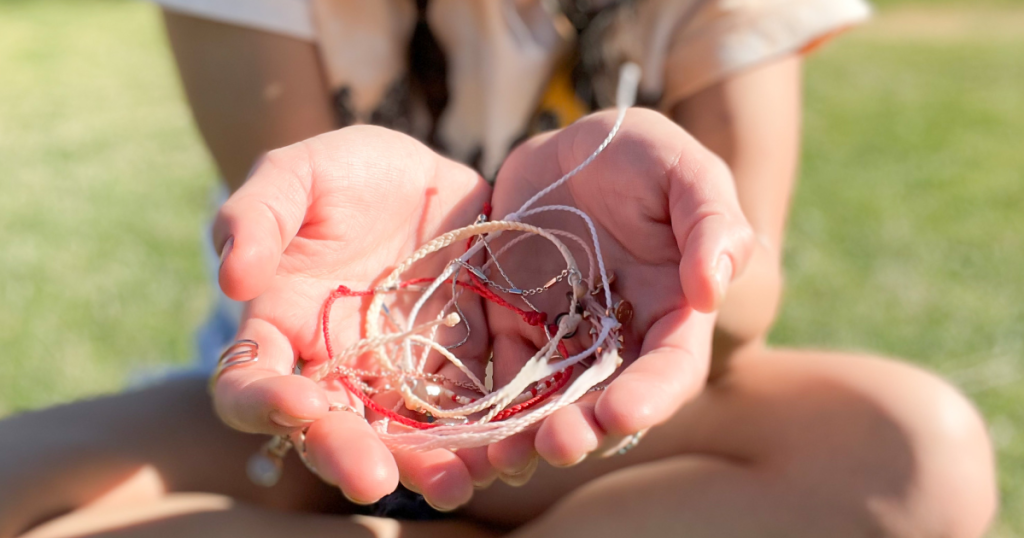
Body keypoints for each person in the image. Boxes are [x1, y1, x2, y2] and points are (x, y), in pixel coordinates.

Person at [0, 1, 997, 537]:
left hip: (597, 438)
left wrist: (682, 249)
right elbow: (298, 287)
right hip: (314, 418)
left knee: (914, 452)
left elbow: (746, 296)